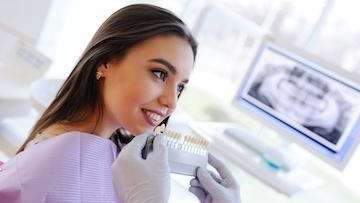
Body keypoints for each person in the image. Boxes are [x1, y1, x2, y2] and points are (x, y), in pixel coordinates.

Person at [0, 4, 240, 203]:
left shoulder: (110, 152)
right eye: (160, 73)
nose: (171, 102)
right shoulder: (60, 163)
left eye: (180, 87)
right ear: (106, 62)